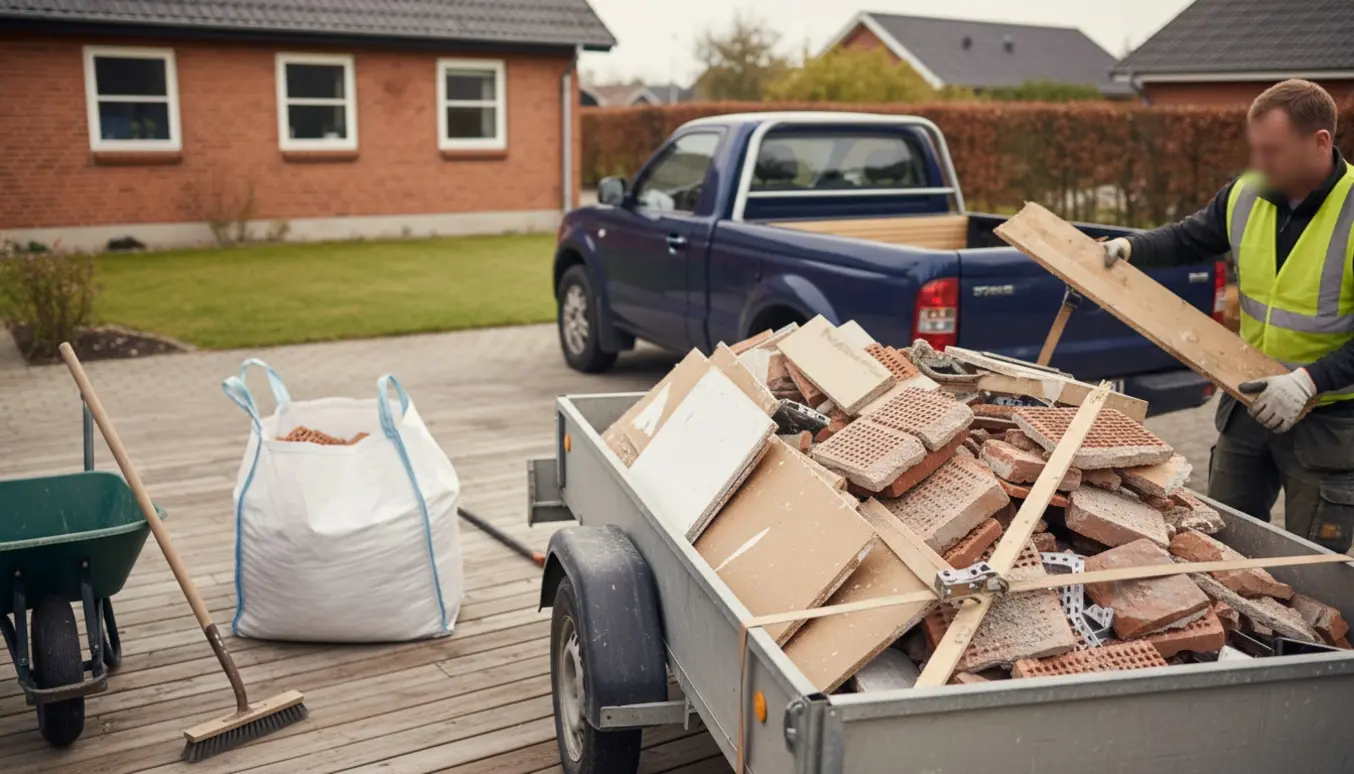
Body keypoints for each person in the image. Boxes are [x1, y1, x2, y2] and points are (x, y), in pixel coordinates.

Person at [1103, 79, 1354, 552]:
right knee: (1221, 543)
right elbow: (1188, 237)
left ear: (1320, 142)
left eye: (1273, 151)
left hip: (1328, 418)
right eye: (1255, 149)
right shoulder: (1245, 194)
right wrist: (1131, 247)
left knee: (1313, 571)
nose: (1259, 163)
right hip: (1250, 401)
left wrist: (1309, 380)